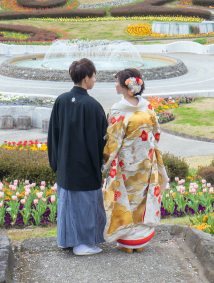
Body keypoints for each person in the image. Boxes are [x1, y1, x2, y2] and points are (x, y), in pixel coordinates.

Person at [101, 69, 169, 253]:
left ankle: (127, 242)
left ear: (126, 86)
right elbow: (156, 133)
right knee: (141, 200)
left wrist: (104, 164)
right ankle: (140, 241)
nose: (115, 84)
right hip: (146, 162)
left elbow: (113, 142)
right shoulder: (148, 107)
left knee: (125, 201)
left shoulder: (118, 110)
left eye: (117, 81)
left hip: (126, 165)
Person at [47, 58, 108, 256]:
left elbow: (53, 134)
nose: (95, 80)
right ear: (85, 78)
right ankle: (82, 243)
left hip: (65, 164)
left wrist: (56, 162)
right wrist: (100, 164)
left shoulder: (61, 100)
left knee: (67, 204)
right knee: (85, 205)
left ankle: (67, 241)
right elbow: (102, 140)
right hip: (85, 166)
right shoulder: (92, 106)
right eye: (93, 76)